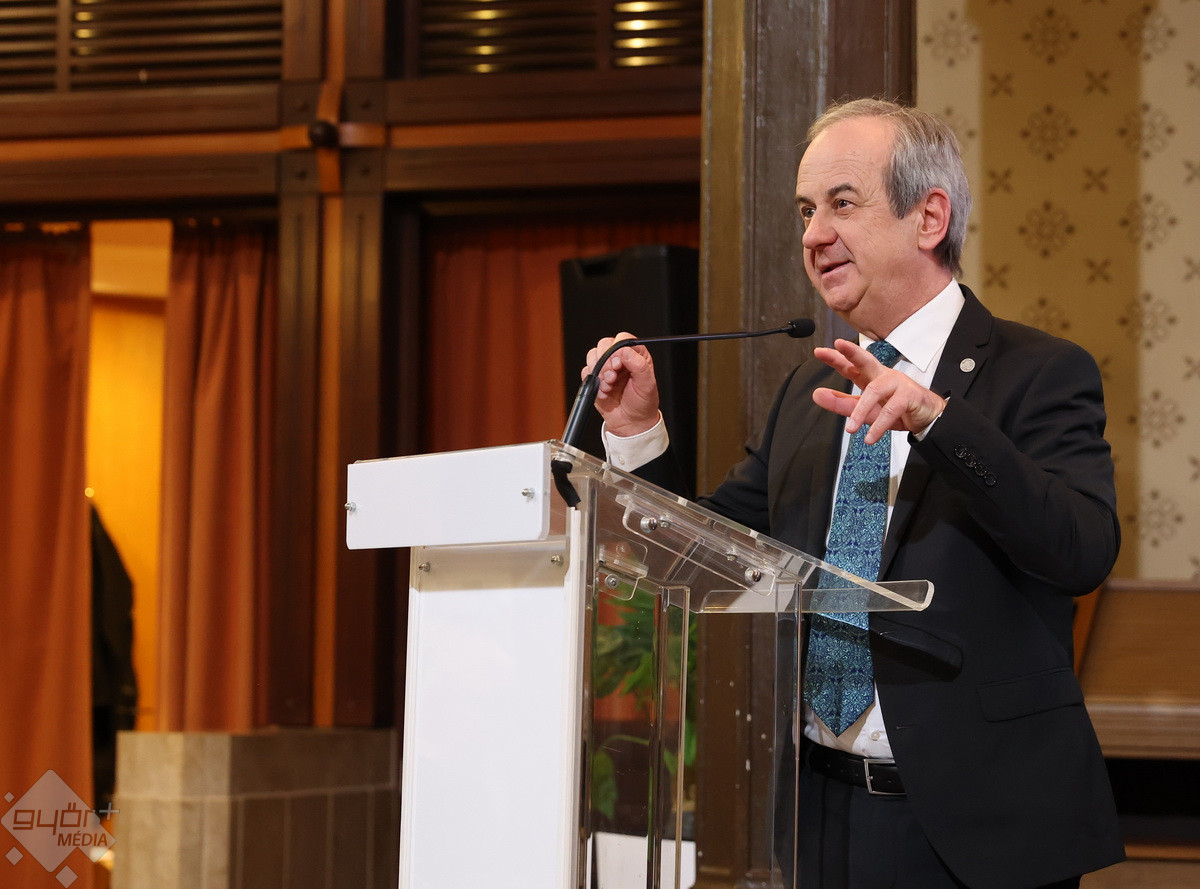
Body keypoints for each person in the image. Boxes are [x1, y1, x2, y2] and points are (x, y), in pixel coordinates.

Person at [580, 98, 1124, 889]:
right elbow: (704, 556)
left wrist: (937, 420)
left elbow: (1081, 549)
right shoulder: (811, 394)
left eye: (841, 202)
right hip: (819, 816)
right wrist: (637, 432)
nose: (812, 234)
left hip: (979, 833)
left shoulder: (1040, 371)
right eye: (806, 210)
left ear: (928, 217)